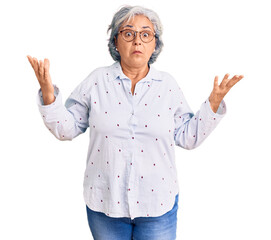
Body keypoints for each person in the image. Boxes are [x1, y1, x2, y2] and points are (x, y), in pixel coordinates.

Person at [27, 5, 244, 240]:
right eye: (128, 33)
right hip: (105, 204)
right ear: (116, 42)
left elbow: (187, 137)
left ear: (155, 44)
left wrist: (212, 104)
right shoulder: (97, 81)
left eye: (145, 34)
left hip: (157, 206)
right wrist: (48, 94)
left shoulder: (167, 85)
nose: (137, 42)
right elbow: (66, 128)